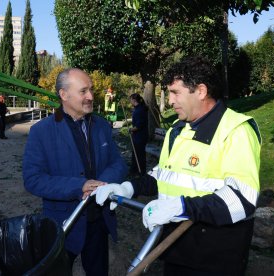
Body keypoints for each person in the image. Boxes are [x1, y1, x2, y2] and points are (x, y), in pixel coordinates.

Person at [93, 56, 261, 275]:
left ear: (200, 91)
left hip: (216, 257)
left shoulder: (236, 130)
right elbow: (163, 175)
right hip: (175, 249)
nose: (170, 101)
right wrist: (128, 188)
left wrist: (181, 207)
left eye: (175, 92)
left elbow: (242, 198)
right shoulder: (177, 130)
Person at [23, 68, 128, 275]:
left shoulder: (102, 126)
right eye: (83, 91)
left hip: (99, 222)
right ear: (64, 95)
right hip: (63, 224)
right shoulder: (41, 132)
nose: (91, 96)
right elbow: (33, 179)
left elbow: (118, 164)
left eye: (91, 90)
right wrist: (78, 186)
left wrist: (101, 184)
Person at [129, 93, 148, 175]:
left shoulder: (140, 110)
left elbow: (139, 125)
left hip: (140, 136)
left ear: (134, 100)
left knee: (139, 154)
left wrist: (131, 129)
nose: (130, 102)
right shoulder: (137, 109)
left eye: (130, 100)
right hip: (137, 136)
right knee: (135, 153)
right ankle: (135, 170)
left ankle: (140, 172)